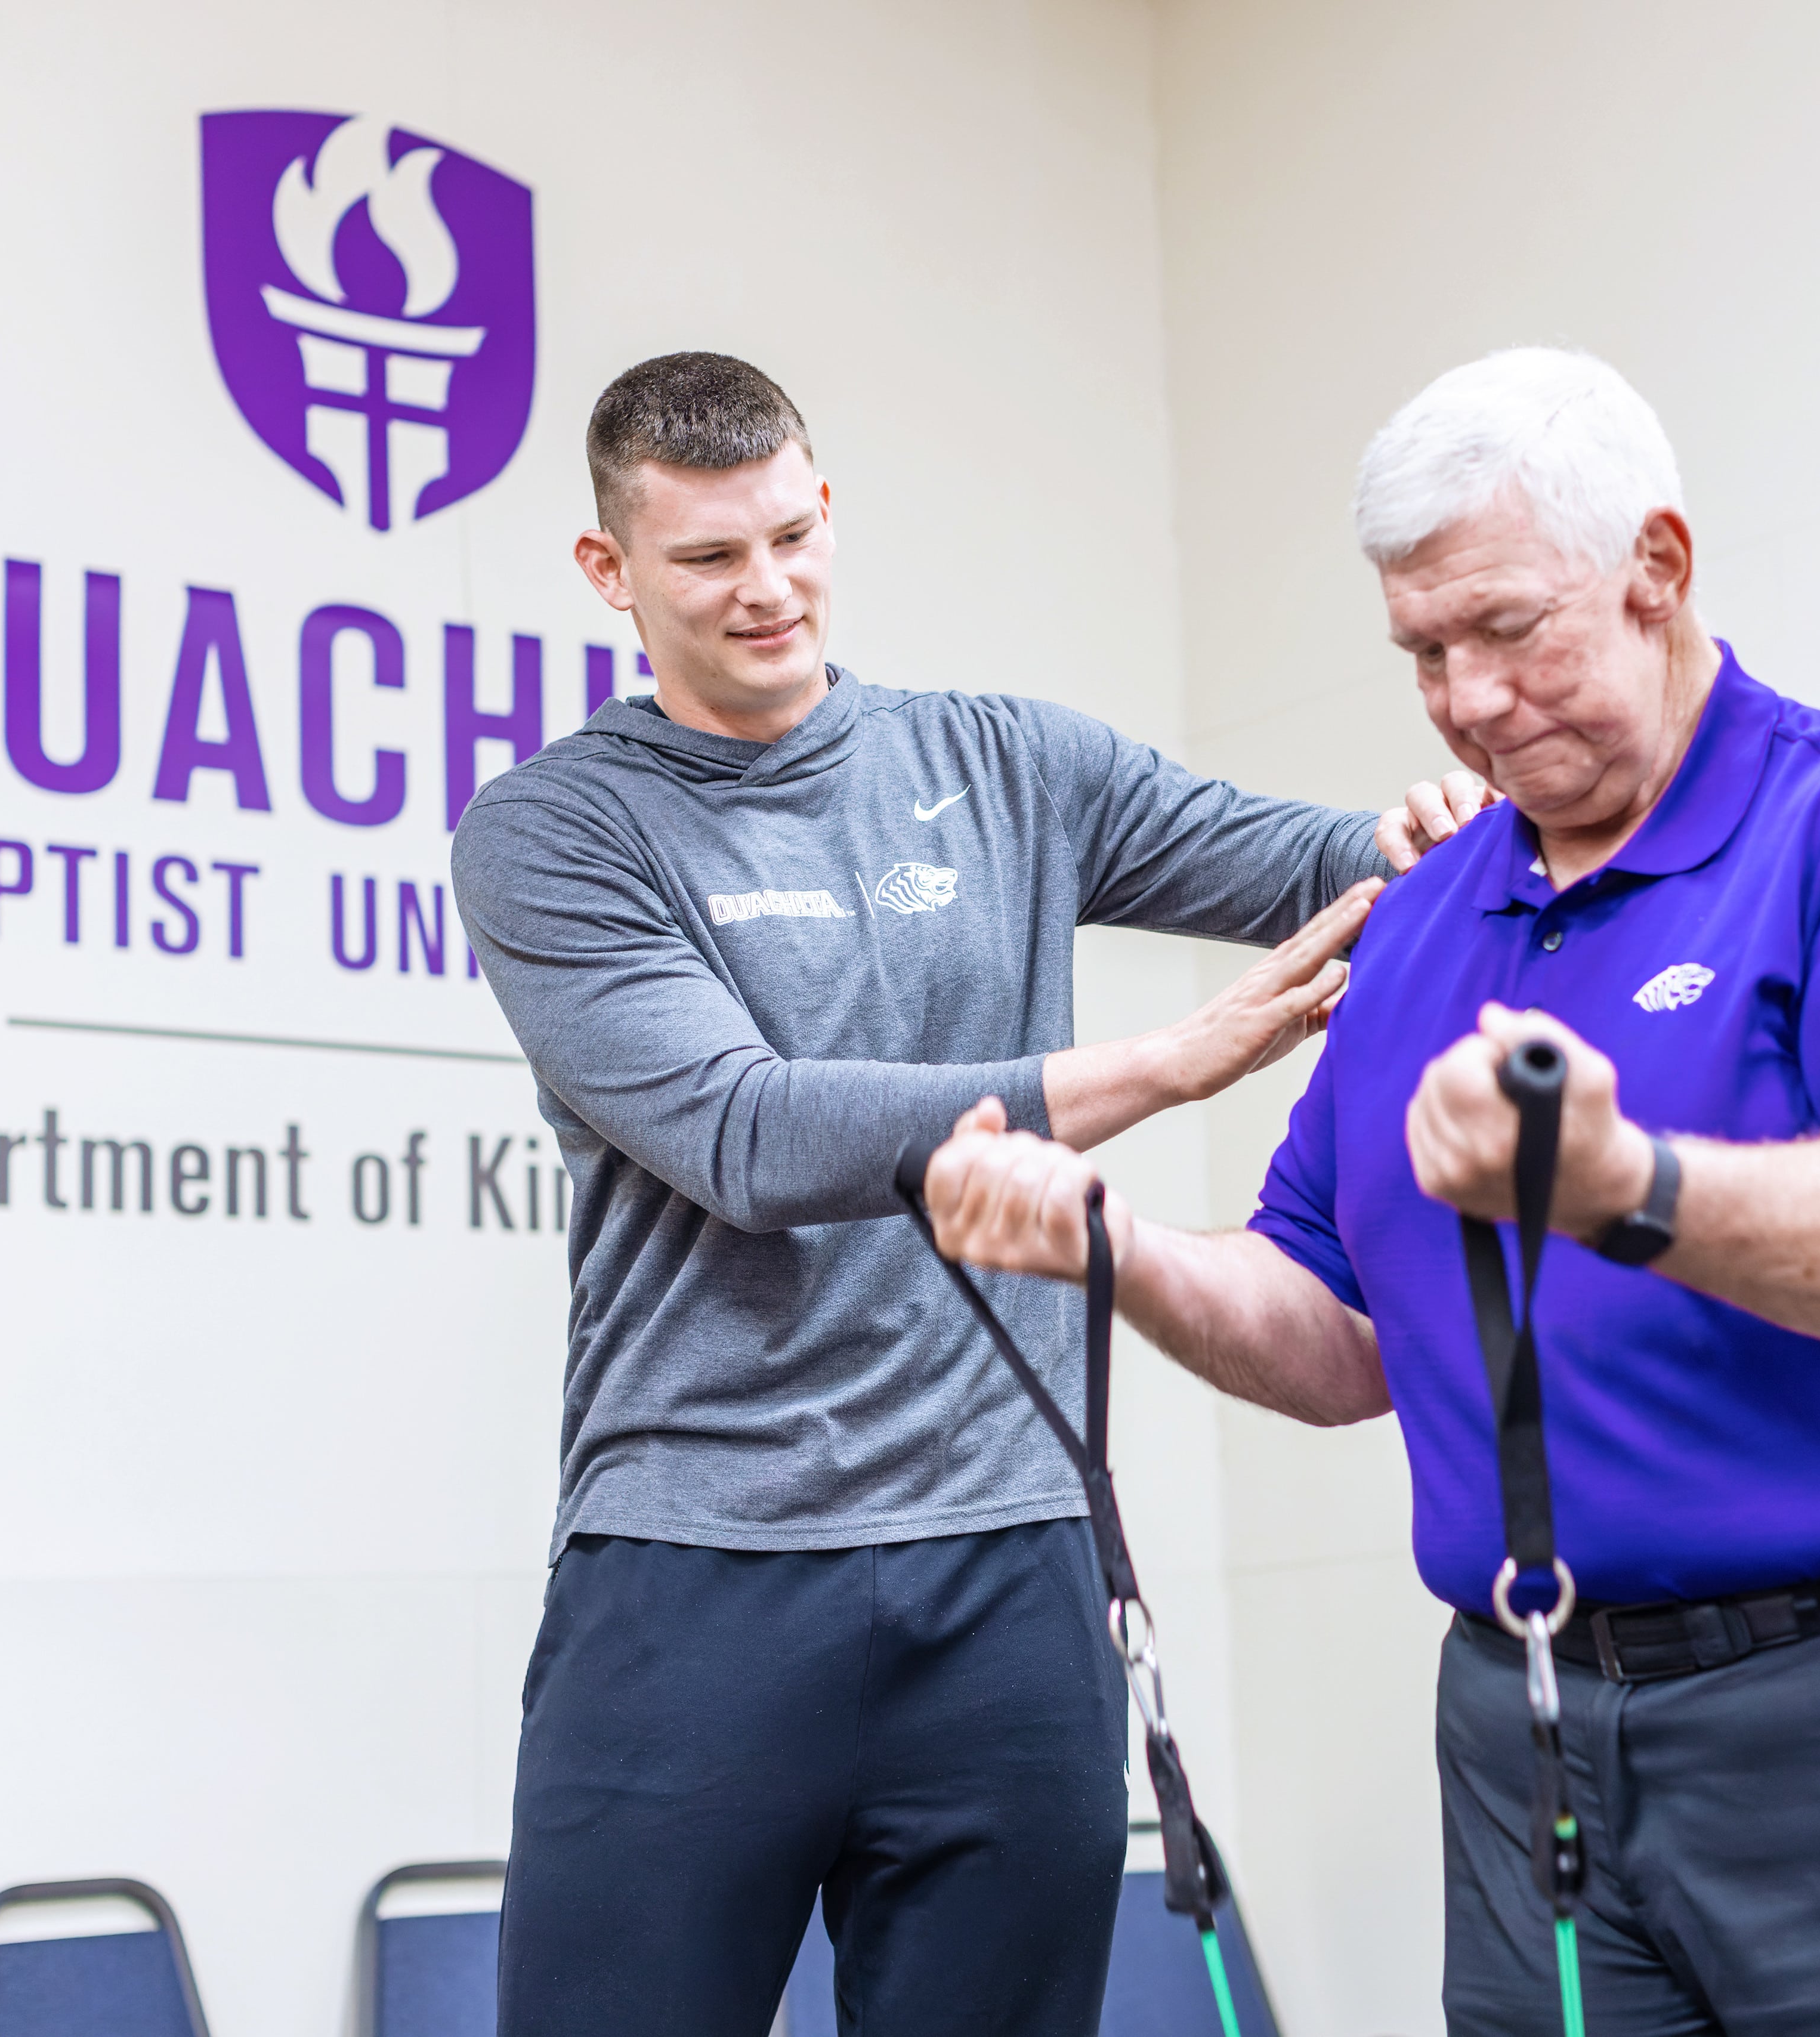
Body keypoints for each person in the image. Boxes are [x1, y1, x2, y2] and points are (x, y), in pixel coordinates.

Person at [919, 347, 1820, 2036]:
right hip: (1533, 1734)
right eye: (1424, 652)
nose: (1465, 700)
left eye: (1509, 630)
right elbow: (1333, 1338)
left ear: (1656, 569)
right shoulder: (1430, 916)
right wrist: (1114, 1246)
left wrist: (1624, 1187)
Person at [451, 352, 1468, 2036]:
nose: (766, 589)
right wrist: (1162, 1067)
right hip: (696, 1573)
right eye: (707, 559)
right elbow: (749, 1138)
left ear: (828, 507)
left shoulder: (1010, 767)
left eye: (791, 536)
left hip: (1009, 1570)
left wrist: (1442, 830)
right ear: (607, 569)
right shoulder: (554, 833)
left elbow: (1326, 865)